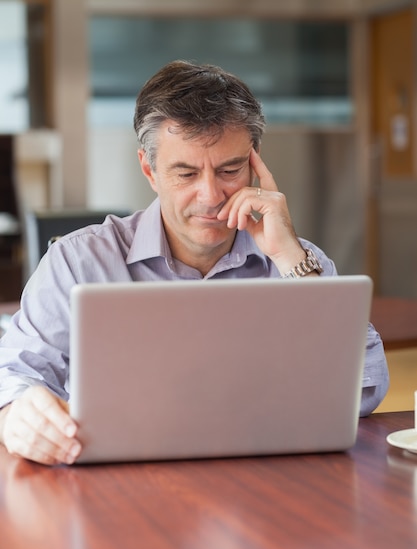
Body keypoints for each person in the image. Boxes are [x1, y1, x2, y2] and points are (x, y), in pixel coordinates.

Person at [0, 60, 389, 465]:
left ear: (255, 164)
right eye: (185, 174)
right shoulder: (79, 260)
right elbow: (13, 375)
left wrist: (289, 256)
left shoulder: (295, 259)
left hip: (262, 489)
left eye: (230, 170)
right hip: (118, 491)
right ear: (149, 170)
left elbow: (368, 385)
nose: (210, 196)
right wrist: (15, 415)